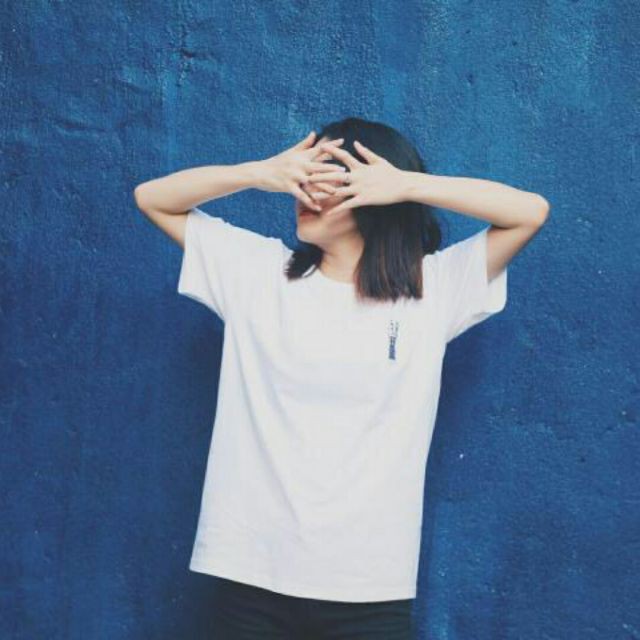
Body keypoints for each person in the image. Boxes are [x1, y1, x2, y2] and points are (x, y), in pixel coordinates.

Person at [134, 117, 549, 639]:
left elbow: (529, 212)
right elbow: (152, 198)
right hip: (249, 574)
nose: (305, 191)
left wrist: (407, 186)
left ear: (373, 193)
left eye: (328, 178)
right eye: (305, 175)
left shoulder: (434, 289)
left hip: (369, 587)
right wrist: (259, 173)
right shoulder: (255, 273)